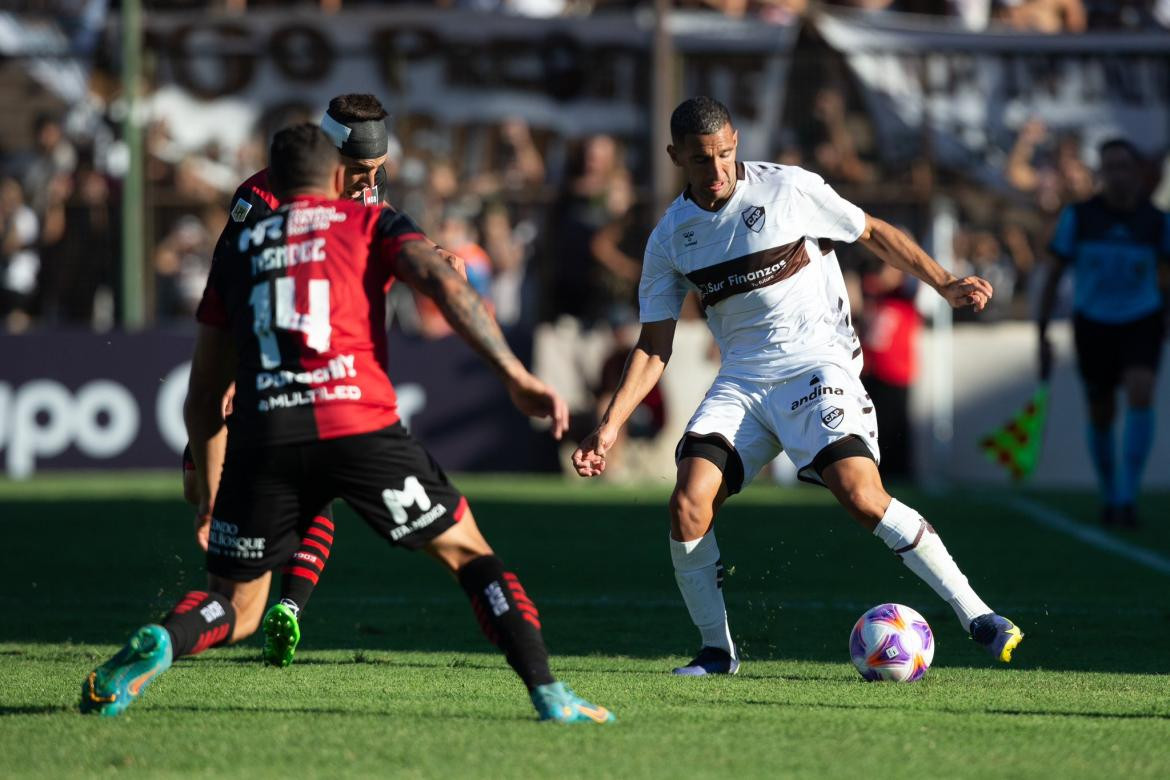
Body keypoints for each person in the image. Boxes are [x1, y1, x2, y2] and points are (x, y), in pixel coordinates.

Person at [81, 124, 613, 724]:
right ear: (338, 176)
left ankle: (166, 640)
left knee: (237, 606)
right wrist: (513, 373)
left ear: (272, 181)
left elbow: (204, 395)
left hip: (263, 434)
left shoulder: (240, 252)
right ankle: (548, 694)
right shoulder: (370, 221)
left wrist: (208, 494)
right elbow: (441, 280)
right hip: (356, 422)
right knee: (469, 555)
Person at [572, 97, 1023, 675]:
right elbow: (655, 343)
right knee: (687, 504)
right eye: (701, 161)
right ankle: (717, 652)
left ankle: (977, 615)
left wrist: (945, 282)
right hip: (742, 381)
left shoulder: (787, 189)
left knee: (861, 496)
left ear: (736, 140)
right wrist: (608, 428)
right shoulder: (670, 238)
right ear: (674, 156)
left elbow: (874, 232)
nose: (717, 172)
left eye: (725, 155)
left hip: (817, 364)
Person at [180, 93, 461, 669]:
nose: (368, 182)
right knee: (209, 480)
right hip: (263, 365)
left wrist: (434, 252)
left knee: (302, 498)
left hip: (323, 367)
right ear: (330, 155)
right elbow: (231, 290)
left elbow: (388, 231)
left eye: (377, 172)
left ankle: (267, 608)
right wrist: (234, 369)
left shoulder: (364, 186)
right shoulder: (257, 199)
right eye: (361, 170)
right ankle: (262, 603)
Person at [1039, 138, 1170, 527]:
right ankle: (1110, 490)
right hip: (1093, 322)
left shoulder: (1157, 221)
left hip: (1141, 320)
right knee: (1101, 411)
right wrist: (1042, 331)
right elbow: (1054, 273)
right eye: (1110, 167)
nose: (1118, 175)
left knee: (1141, 390)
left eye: (1124, 166)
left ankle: (1128, 494)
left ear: (1137, 172)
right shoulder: (1079, 217)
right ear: (1101, 174)